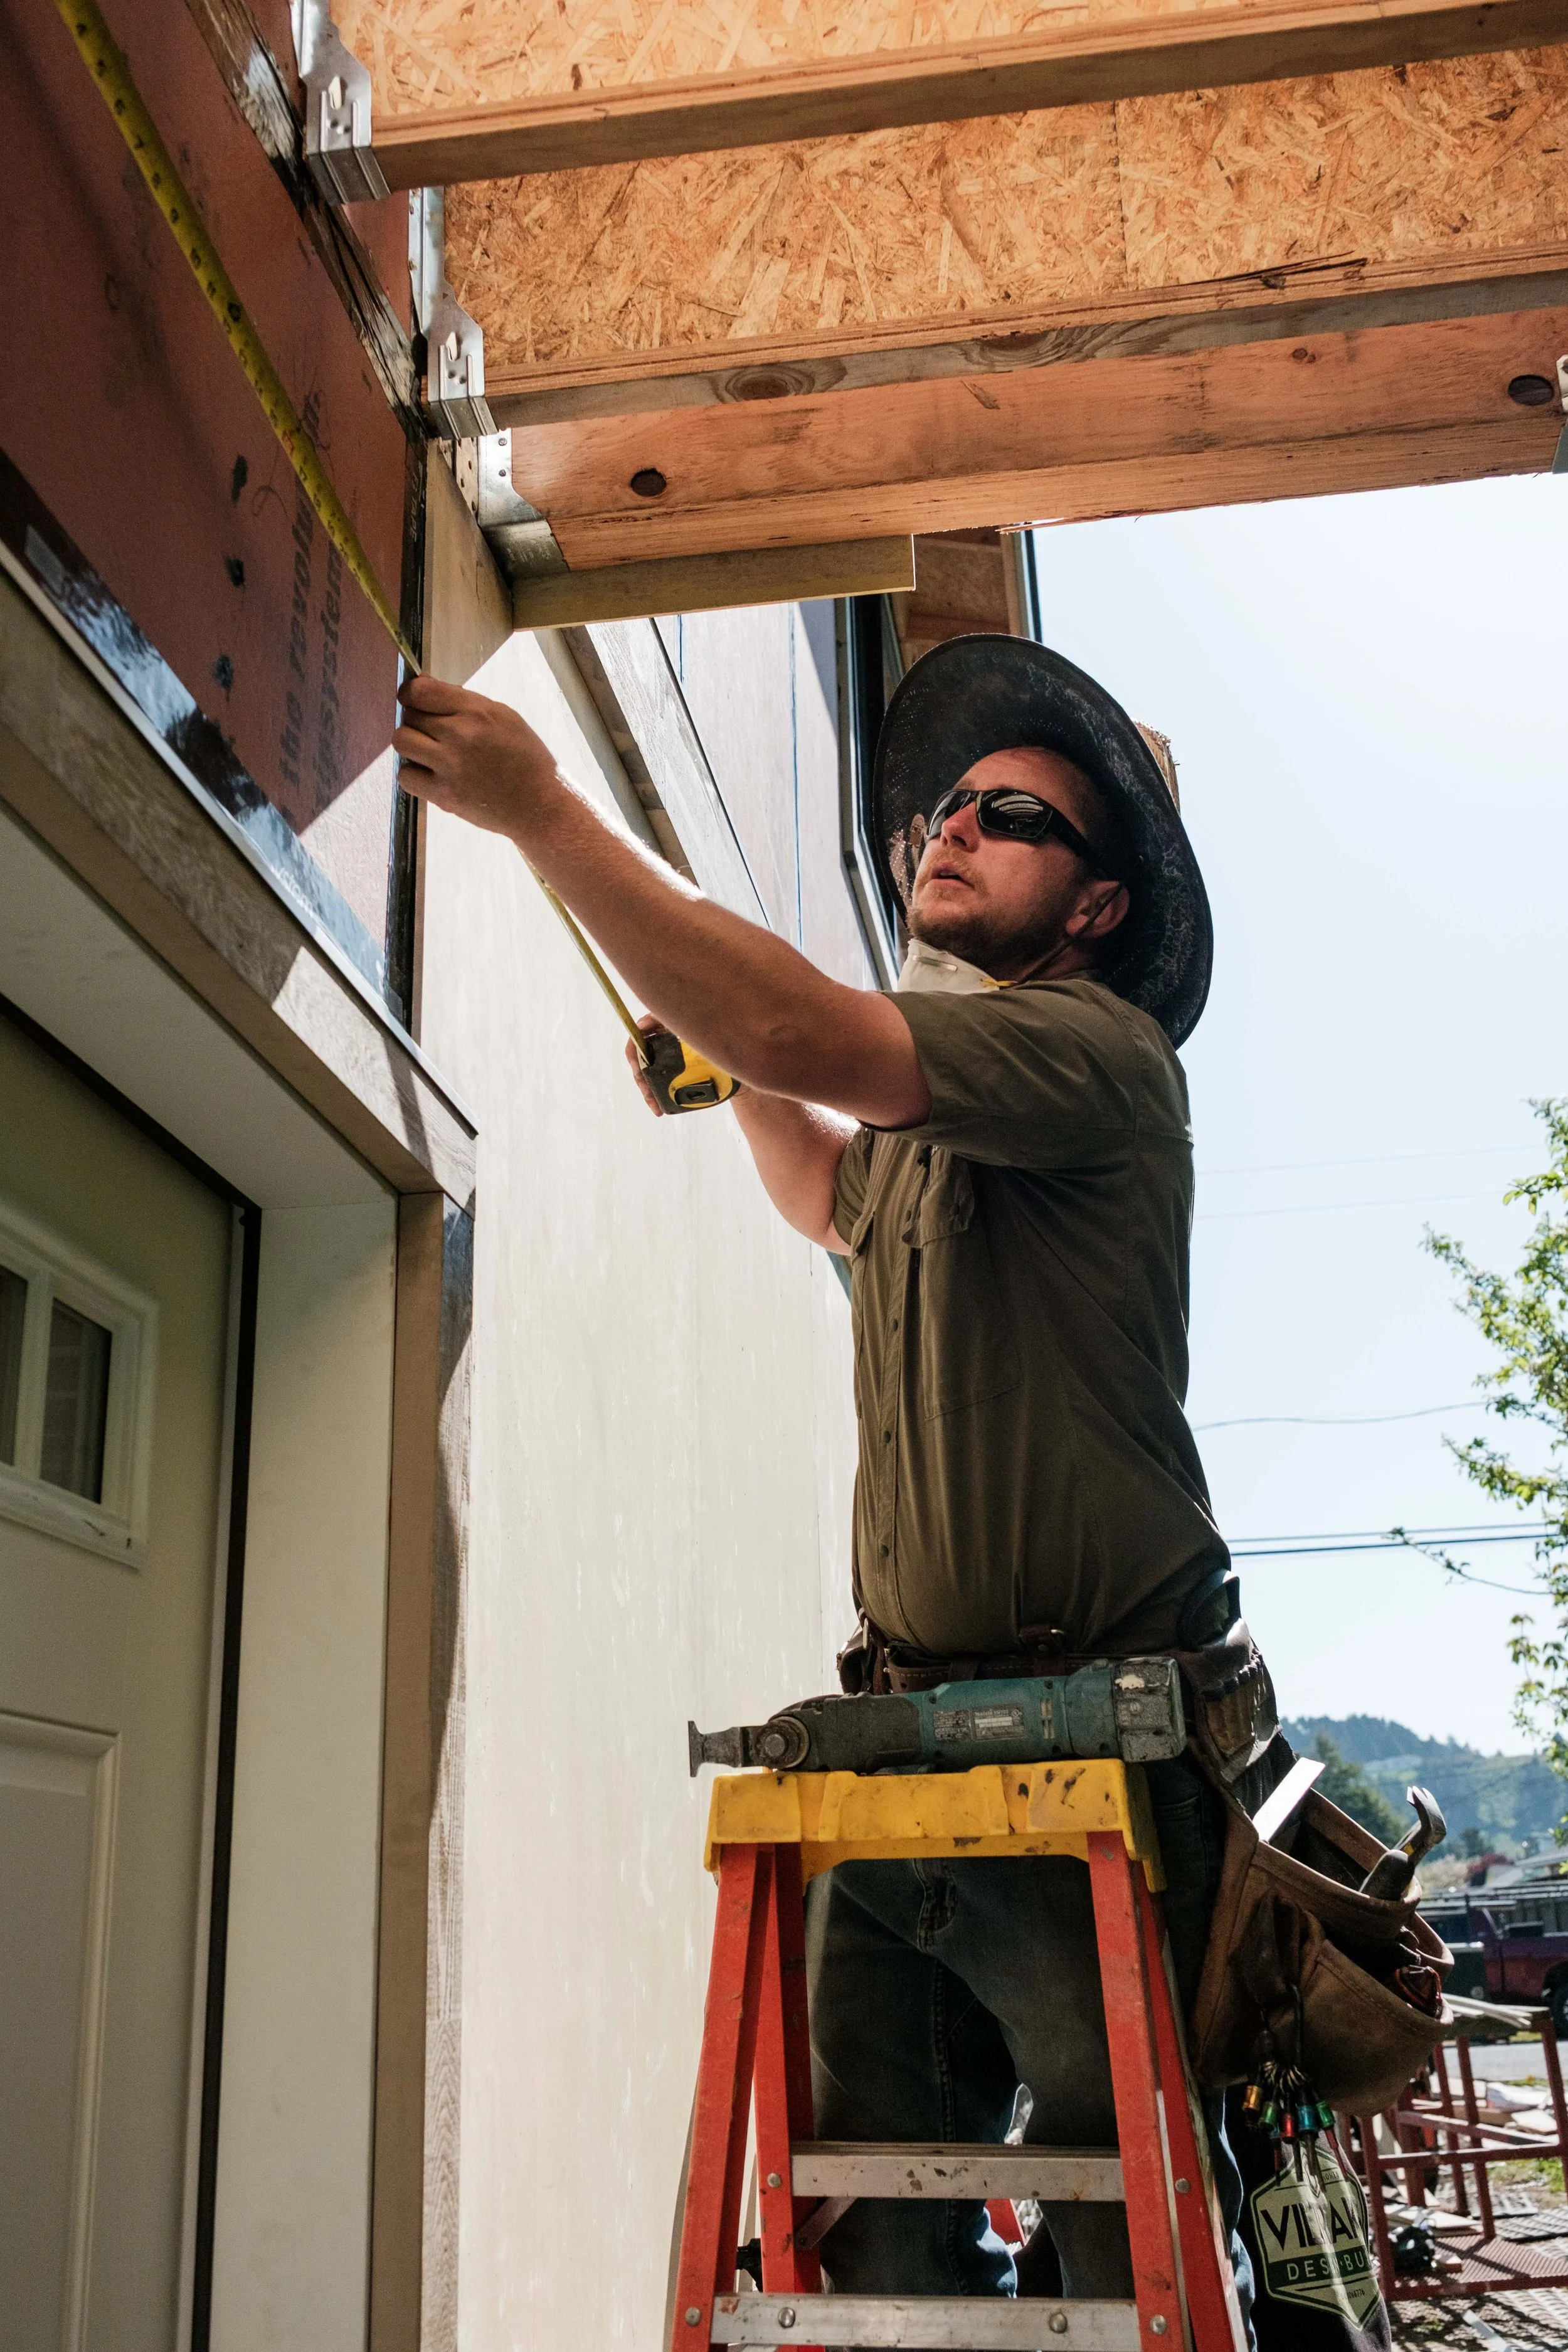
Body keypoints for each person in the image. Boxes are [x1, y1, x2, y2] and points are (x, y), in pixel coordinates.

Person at [393, 632, 1254, 2325]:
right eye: (948, 801)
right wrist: (722, 1073)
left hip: (1094, 1753)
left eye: (1012, 813)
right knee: (869, 2231)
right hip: (910, 1747)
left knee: (1119, 2239)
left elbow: (798, 1024)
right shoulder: (934, 1146)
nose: (952, 823)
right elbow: (819, 1177)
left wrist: (546, 810)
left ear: (1091, 910)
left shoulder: (1094, 1056)